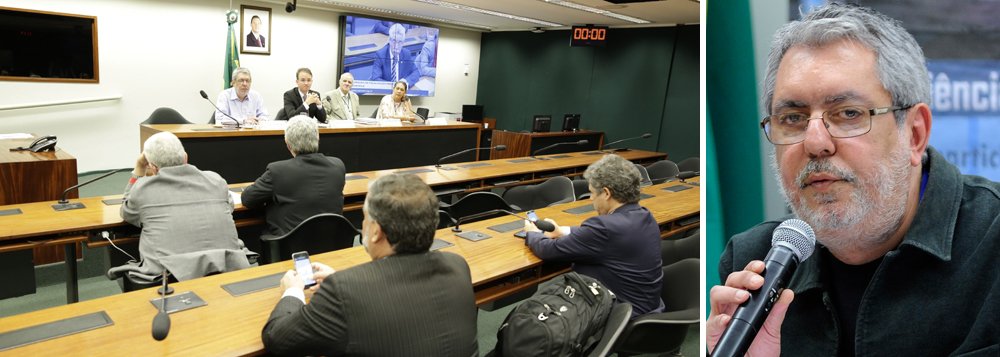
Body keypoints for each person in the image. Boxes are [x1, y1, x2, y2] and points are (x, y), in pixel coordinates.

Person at [707, 4, 1000, 356]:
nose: (815, 143)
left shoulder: (993, 245)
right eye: (793, 117)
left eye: (848, 114)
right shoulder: (754, 260)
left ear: (915, 134)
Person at [261, 174, 478, 356]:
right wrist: (345, 280)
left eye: (365, 218)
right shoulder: (457, 265)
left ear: (376, 232)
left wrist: (293, 292)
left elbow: (277, 339)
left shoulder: (344, 291)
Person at [524, 154, 664, 318]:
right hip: (647, 307)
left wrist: (532, 234)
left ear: (606, 193)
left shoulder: (604, 228)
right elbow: (604, 237)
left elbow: (549, 250)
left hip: (621, 315)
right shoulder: (644, 215)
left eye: (592, 193)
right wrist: (563, 231)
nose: (590, 198)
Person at [107, 132, 251, 283]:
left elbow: (126, 212)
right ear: (186, 157)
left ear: (153, 168)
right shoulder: (216, 180)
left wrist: (139, 170)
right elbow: (229, 208)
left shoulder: (142, 189)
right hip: (227, 267)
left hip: (171, 276)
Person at [241, 116, 346, 239]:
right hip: (333, 243)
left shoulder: (277, 171)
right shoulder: (338, 166)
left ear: (288, 145)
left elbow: (248, 199)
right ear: (318, 139)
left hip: (291, 249)